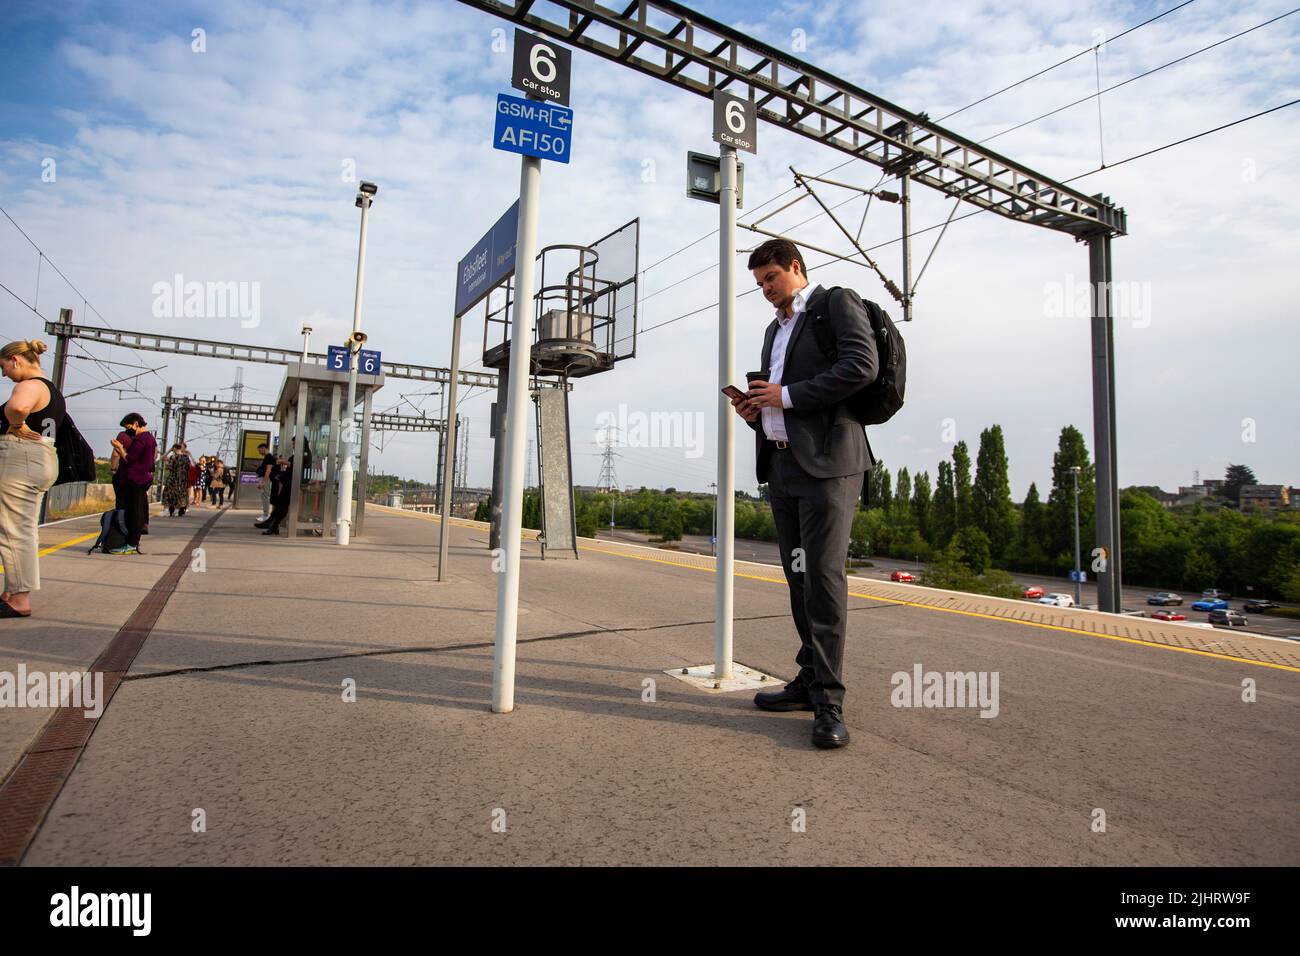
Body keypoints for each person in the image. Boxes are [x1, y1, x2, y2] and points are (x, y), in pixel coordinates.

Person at [729, 239, 878, 750]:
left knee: (824, 577)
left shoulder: (836, 304)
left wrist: (786, 396)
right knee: (798, 577)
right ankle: (809, 680)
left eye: (770, 278)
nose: (766, 291)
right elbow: (777, 396)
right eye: (759, 284)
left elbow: (861, 366)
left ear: (795, 267)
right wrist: (757, 410)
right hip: (783, 463)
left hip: (830, 466)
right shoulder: (775, 329)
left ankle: (830, 702)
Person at [0, 338, 64, 617]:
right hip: (43, 458)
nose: (4, 375)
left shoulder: (28, 386)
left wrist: (16, 423)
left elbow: (18, 407)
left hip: (21, 459)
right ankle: (13, 591)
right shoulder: (52, 390)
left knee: (13, 530)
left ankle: (19, 598)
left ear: (16, 360)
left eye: (4, 368)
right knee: (24, 529)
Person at [110, 412, 156, 554]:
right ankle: (133, 542)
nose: (128, 430)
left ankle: (131, 543)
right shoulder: (150, 439)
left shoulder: (141, 439)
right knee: (139, 510)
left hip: (136, 478)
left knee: (134, 512)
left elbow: (130, 459)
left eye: (129, 427)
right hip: (144, 478)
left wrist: (119, 448)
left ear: (136, 424)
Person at [257, 455, 292, 535]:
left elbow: (293, 466)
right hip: (284, 484)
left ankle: (272, 525)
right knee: (279, 505)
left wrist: (283, 462)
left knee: (281, 506)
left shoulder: (271, 460)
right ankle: (272, 525)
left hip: (286, 485)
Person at [161, 443, 191, 516]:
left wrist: (169, 451)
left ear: (174, 449)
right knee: (179, 495)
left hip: (173, 479)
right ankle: (176, 511)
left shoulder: (173, 457)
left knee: (167, 493)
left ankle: (167, 511)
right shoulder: (186, 458)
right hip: (182, 480)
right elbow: (189, 467)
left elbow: (163, 459)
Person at [255, 442, 275, 523]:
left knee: (265, 496)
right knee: (264, 496)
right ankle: (265, 514)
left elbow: (268, 470)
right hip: (264, 479)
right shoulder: (267, 457)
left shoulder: (269, 457)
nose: (259, 452)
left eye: (260, 450)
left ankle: (266, 515)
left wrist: (263, 481)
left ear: (264, 448)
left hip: (266, 479)